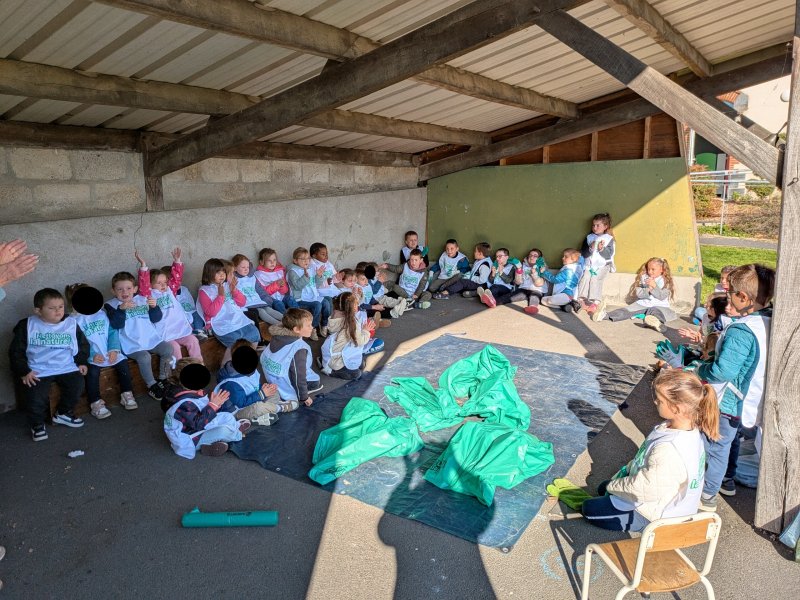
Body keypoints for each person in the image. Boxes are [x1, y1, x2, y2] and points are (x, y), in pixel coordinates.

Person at [582, 369, 719, 532]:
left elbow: (645, 489)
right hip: (660, 496)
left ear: (676, 408)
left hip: (654, 515)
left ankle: (640, 524)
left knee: (588, 508)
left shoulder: (669, 449)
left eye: (660, 400)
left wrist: (614, 486)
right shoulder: (688, 431)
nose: (655, 402)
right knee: (604, 488)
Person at [695, 264, 774, 510]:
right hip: (748, 400)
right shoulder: (769, 320)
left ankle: (707, 494)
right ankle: (727, 480)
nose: (727, 298)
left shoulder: (741, 331)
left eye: (730, 295)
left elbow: (723, 371)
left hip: (729, 400)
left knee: (715, 445)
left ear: (743, 297)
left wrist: (700, 369)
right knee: (731, 440)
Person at [9, 288, 90, 441]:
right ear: (38, 310)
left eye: (60, 306)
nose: (58, 311)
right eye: (52, 308)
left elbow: (82, 344)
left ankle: (63, 413)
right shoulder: (27, 325)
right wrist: (24, 371)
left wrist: (81, 361)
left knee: (77, 385)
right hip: (38, 369)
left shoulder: (70, 323)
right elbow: (16, 351)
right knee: (36, 396)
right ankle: (37, 424)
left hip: (66, 366)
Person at [67, 284, 137, 416]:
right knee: (92, 372)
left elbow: (112, 332)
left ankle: (126, 394)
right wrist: (91, 355)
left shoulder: (101, 313)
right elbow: (77, 343)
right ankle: (95, 402)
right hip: (92, 356)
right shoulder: (74, 321)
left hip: (109, 351)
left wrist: (114, 349)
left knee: (123, 365)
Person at [105, 271, 174, 400]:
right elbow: (116, 324)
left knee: (168, 348)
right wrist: (121, 310)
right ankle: (152, 385)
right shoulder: (111, 305)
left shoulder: (143, 299)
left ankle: (163, 379)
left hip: (149, 338)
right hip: (130, 343)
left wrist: (154, 307)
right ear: (113, 291)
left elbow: (156, 319)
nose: (125, 292)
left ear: (135, 289)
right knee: (144, 357)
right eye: (120, 289)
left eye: (128, 288)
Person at [162, 360, 249, 459]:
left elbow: (200, 412)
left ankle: (234, 427)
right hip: (189, 438)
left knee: (227, 416)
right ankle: (236, 435)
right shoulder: (183, 404)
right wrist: (213, 405)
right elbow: (198, 424)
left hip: (196, 424)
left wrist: (215, 404)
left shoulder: (190, 390)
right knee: (223, 431)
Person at [136, 248, 202, 361]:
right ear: (150, 285)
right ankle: (178, 369)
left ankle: (198, 364)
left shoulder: (170, 290)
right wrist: (143, 266)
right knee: (174, 348)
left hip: (179, 329)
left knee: (193, 340)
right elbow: (143, 284)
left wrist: (177, 261)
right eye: (159, 283)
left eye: (165, 282)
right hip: (164, 333)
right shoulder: (149, 294)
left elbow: (176, 279)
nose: (163, 285)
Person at [196, 258, 260, 363]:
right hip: (221, 323)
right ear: (209, 273)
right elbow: (210, 312)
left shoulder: (228, 286)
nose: (222, 275)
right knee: (236, 344)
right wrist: (220, 296)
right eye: (218, 272)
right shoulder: (204, 291)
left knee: (254, 333)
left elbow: (242, 303)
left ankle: (249, 362)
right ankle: (227, 368)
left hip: (237, 319)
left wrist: (234, 290)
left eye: (223, 272)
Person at [214, 342, 296, 424]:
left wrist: (264, 388)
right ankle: (281, 408)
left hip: (253, 401)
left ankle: (261, 416)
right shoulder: (231, 384)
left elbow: (254, 386)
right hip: (237, 412)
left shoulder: (250, 370)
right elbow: (241, 403)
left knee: (274, 392)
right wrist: (262, 393)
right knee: (258, 408)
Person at [593, 257, 676, 332]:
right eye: (648, 269)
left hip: (659, 306)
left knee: (656, 312)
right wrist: (648, 289)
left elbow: (662, 296)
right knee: (626, 311)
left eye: (653, 269)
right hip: (643, 304)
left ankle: (658, 324)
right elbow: (639, 294)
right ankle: (603, 315)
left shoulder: (666, 281)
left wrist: (655, 287)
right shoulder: (645, 278)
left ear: (662, 270)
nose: (650, 272)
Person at [261, 308, 324, 406]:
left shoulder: (277, 336)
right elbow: (298, 376)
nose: (312, 327)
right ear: (296, 329)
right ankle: (293, 395)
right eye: (308, 325)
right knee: (316, 381)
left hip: (271, 378)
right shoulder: (298, 348)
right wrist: (304, 397)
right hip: (285, 383)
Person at [320, 292, 381, 380]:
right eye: (356, 304)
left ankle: (324, 360)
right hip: (338, 358)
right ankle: (329, 371)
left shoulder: (334, 315)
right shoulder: (352, 322)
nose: (357, 306)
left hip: (332, 350)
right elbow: (360, 342)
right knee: (357, 374)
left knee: (361, 364)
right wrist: (366, 330)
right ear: (352, 307)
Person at [287, 247, 332, 340]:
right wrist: (305, 277)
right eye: (302, 259)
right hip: (300, 299)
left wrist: (319, 276)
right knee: (317, 305)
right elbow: (297, 286)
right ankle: (313, 328)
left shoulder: (310, 269)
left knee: (326, 303)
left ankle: (324, 325)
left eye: (308, 258)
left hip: (312, 296)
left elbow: (316, 285)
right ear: (295, 260)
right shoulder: (292, 271)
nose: (306, 261)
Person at [576, 213, 616, 317]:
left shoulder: (609, 239)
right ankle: (581, 299)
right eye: (593, 225)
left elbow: (609, 255)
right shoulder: (589, 237)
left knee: (595, 278)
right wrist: (591, 247)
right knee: (585, 276)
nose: (595, 227)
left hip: (603, 266)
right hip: (589, 265)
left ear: (605, 226)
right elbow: (584, 253)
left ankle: (595, 302)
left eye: (598, 225)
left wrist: (602, 249)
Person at [231, 253, 284, 327]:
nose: (246, 269)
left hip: (257, 300)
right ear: (235, 268)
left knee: (269, 309)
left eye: (248, 267)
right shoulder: (233, 279)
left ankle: (287, 320)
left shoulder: (252, 277)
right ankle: (279, 325)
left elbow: (260, 290)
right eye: (243, 267)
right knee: (261, 311)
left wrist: (267, 300)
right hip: (248, 304)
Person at [254, 248, 297, 314]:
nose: (272, 262)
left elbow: (285, 291)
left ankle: (299, 315)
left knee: (290, 299)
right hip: (272, 300)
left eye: (274, 260)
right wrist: (277, 285)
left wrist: (282, 285)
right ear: (261, 262)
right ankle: (286, 318)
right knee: (279, 304)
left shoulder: (279, 271)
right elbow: (264, 293)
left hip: (282, 297)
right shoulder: (259, 275)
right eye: (269, 260)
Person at [511, 248, 548, 315]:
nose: (531, 257)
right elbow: (518, 282)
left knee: (534, 296)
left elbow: (539, 284)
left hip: (537, 290)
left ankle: (533, 307)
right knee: (511, 297)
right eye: (530, 255)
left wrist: (534, 272)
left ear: (539, 258)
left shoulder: (542, 268)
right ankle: (496, 301)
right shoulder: (522, 266)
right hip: (524, 289)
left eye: (535, 256)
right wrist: (519, 271)